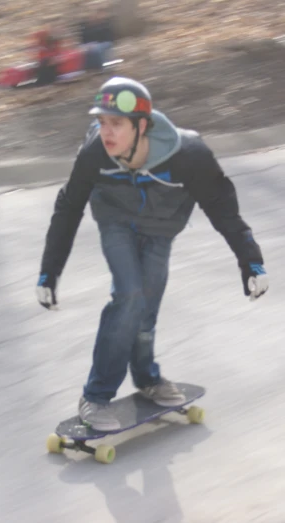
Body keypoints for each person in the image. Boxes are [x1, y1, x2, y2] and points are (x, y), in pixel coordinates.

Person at [35, 77, 269, 431]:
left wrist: (250, 260)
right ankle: (95, 396)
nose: (106, 133)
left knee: (148, 303)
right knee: (129, 295)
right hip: (115, 220)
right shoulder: (95, 154)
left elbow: (222, 208)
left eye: (116, 124)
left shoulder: (189, 156)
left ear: (142, 126)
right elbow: (68, 209)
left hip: (161, 227)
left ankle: (146, 378)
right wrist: (49, 272)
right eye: (101, 123)